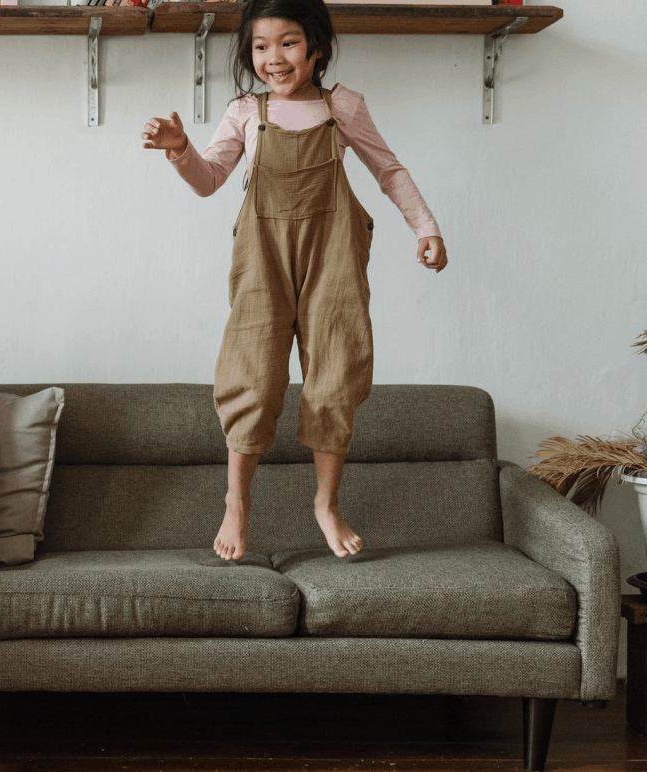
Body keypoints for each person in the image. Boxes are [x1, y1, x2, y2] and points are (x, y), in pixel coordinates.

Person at [141, 0, 447, 562]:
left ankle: (326, 504)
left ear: (316, 48)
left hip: (334, 257)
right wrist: (181, 151)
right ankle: (237, 502)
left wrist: (425, 228)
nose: (273, 57)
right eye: (260, 46)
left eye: (287, 42)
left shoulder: (343, 106)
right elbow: (209, 181)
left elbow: (389, 169)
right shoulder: (243, 112)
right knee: (252, 378)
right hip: (262, 260)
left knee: (334, 378)